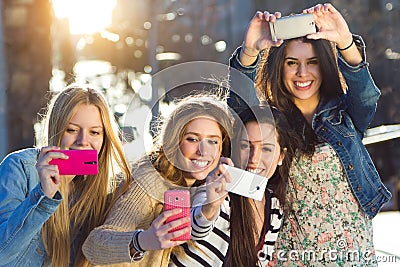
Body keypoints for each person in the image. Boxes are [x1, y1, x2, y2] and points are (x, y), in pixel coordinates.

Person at [228, 3, 391, 266]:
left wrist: (345, 41)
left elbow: (367, 95)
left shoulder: (344, 114)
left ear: (323, 66)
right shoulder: (272, 121)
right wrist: (250, 52)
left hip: (351, 246)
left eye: (312, 62)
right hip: (291, 250)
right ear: (280, 67)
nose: (302, 73)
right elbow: (235, 111)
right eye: (292, 63)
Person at [82, 93, 234, 266]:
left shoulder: (200, 186)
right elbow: (93, 245)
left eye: (213, 141)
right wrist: (143, 240)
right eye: (192, 139)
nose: (203, 150)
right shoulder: (148, 180)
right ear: (174, 141)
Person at [0, 84, 132, 266]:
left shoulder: (104, 189)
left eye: (94, 132)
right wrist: (42, 196)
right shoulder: (20, 167)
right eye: (72, 130)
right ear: (57, 127)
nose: (83, 141)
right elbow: (2, 254)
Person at [187, 104, 294, 267]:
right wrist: (211, 206)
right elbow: (195, 227)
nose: (254, 158)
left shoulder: (274, 207)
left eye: (266, 149)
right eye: (246, 146)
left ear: (281, 156)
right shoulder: (217, 187)